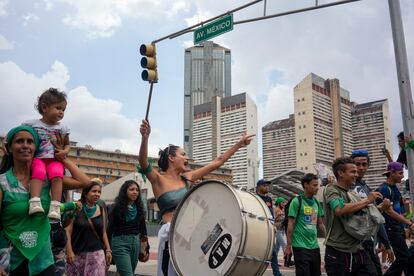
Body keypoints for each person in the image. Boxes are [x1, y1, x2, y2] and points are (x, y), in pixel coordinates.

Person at [138, 119, 254, 276]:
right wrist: (145, 137)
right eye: (183, 155)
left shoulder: (188, 177)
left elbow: (217, 163)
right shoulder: (158, 180)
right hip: (172, 239)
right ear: (171, 158)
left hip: (195, 235)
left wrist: (239, 144)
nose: (187, 158)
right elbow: (143, 163)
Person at [0, 126, 89, 275]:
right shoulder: (3, 182)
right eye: (19, 141)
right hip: (11, 261)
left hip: (44, 261)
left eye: (30, 141)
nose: (25, 146)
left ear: (36, 148)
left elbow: (85, 182)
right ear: (9, 148)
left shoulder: (48, 180)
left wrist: (63, 158)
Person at [323, 157, 382, 275]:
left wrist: (383, 208)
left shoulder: (352, 193)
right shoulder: (331, 189)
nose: (357, 174)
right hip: (338, 252)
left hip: (358, 249)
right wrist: (367, 200)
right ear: (340, 173)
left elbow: (365, 211)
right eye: (353, 172)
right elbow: (339, 210)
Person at [22, 88, 71, 220]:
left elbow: (67, 144)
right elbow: (18, 132)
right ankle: (34, 202)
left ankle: (55, 207)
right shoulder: (32, 124)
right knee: (38, 173)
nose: (61, 112)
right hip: (38, 158)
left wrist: (65, 151)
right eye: (58, 108)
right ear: (45, 108)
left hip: (55, 159)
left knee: (57, 176)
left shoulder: (62, 128)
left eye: (63, 110)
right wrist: (7, 139)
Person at [350, 149, 393, 276]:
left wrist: (387, 245)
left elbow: (376, 218)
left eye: (364, 164)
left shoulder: (366, 188)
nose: (361, 168)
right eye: (357, 164)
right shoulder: (346, 187)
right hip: (354, 246)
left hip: (368, 244)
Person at [65, 180, 112, 276]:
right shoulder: (76, 208)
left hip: (97, 253)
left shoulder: (101, 209)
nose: (97, 194)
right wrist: (69, 251)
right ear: (86, 193)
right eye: (94, 191)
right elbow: (67, 231)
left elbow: (103, 232)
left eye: (99, 192)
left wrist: (108, 250)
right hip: (77, 254)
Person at [376, 162, 414, 275]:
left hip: (397, 227)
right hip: (390, 228)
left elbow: (399, 211)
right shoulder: (384, 189)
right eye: (400, 173)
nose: (402, 176)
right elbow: (389, 211)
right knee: (404, 256)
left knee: (406, 257)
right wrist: (409, 223)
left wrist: (406, 226)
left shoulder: (394, 188)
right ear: (391, 173)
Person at [285, 173, 325, 276]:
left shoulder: (316, 202)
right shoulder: (296, 201)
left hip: (314, 247)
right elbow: (290, 225)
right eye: (314, 185)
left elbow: (320, 224)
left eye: (318, 185)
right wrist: (288, 246)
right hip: (300, 246)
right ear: (306, 185)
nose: (317, 188)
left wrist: (329, 238)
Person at [108, 180, 148, 276]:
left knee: (125, 273)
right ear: (125, 191)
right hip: (120, 243)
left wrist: (146, 249)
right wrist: (107, 249)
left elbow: (143, 230)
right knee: (128, 274)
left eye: (137, 190)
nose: (135, 192)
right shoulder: (116, 208)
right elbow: (110, 229)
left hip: (135, 243)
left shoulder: (139, 208)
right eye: (131, 189)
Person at [256, 179, 282, 276]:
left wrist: (274, 226)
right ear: (258, 187)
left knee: (273, 252)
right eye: (264, 185)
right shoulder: (255, 198)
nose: (267, 187)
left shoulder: (269, 199)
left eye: (267, 185)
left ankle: (277, 273)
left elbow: (271, 214)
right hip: (259, 229)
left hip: (269, 229)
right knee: (259, 251)